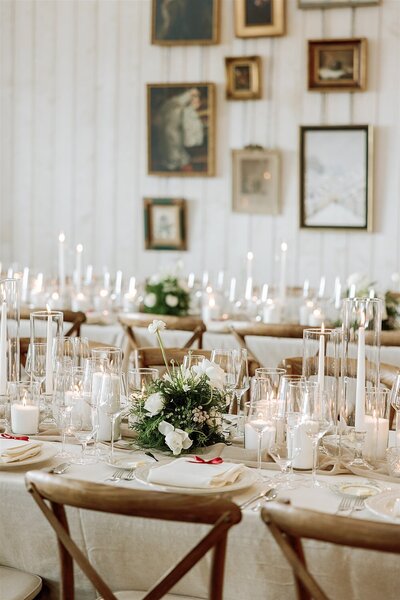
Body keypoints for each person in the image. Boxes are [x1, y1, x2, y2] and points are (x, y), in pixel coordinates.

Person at [153, 88, 204, 172]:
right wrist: (184, 162)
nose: (197, 99)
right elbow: (170, 136)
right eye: (195, 96)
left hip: (178, 155)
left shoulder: (183, 110)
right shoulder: (174, 109)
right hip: (174, 158)